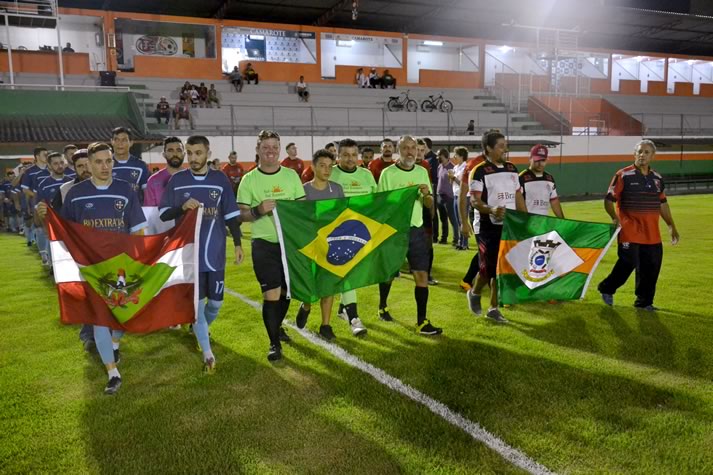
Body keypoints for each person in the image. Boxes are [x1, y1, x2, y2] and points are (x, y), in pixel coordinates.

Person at [62, 142, 148, 395]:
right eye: (98, 162)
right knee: (100, 318)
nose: (104, 166)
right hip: (92, 268)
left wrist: (140, 258)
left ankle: (114, 341)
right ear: (88, 165)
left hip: (121, 266)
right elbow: (67, 232)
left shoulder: (125, 190)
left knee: (124, 314)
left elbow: (137, 229)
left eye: (108, 161)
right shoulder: (76, 194)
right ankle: (113, 373)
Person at [160, 135, 243, 373]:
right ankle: (207, 352)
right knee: (196, 306)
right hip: (190, 255)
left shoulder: (219, 179)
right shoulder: (177, 181)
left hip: (215, 252)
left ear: (207, 152)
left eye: (198, 153)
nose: (193, 158)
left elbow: (230, 215)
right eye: (190, 153)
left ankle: (199, 326)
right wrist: (181, 207)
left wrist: (237, 243)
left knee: (215, 304)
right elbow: (165, 213)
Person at [237, 130, 305, 361]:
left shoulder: (291, 177)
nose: (270, 151)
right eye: (265, 147)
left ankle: (277, 327)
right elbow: (240, 215)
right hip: (264, 244)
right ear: (257, 150)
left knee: (286, 294)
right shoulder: (249, 179)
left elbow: (302, 208)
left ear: (279, 149)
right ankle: (274, 344)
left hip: (289, 245)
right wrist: (258, 210)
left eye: (274, 147)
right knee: (271, 293)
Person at [598, 139, 679, 311]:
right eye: (639, 151)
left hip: (652, 232)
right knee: (629, 261)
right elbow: (608, 200)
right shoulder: (623, 175)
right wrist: (614, 217)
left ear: (652, 156)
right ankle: (607, 288)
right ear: (635, 154)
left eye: (646, 152)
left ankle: (644, 303)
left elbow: (662, 203)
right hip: (629, 229)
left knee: (651, 266)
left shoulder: (657, 178)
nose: (642, 155)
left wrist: (671, 225)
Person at [376, 135, 442, 335]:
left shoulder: (422, 172)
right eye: (405, 148)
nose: (410, 152)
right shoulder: (388, 173)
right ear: (399, 150)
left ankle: (422, 321)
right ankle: (382, 305)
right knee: (388, 274)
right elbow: (381, 204)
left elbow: (429, 205)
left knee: (421, 275)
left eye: (414, 148)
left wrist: (427, 195)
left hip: (416, 230)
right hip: (394, 232)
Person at [309, 138, 373, 336]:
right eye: (345, 154)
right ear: (338, 155)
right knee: (344, 275)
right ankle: (353, 317)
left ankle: (345, 311)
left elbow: (377, 201)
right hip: (332, 236)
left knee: (348, 275)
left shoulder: (367, 175)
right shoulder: (329, 173)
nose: (350, 159)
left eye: (354, 155)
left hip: (359, 234)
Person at [465, 130, 527, 323]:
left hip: (508, 226)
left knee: (501, 267)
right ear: (488, 149)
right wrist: (491, 209)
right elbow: (474, 202)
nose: (505, 149)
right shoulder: (479, 171)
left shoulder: (512, 169)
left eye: (505, 145)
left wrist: (525, 220)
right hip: (485, 226)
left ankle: (493, 308)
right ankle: (474, 292)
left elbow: (518, 196)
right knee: (489, 268)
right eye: (500, 146)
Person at [295, 149, 346, 340]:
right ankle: (306, 306)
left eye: (329, 166)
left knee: (329, 286)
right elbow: (298, 218)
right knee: (309, 286)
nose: (326, 170)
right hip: (310, 245)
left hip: (331, 245)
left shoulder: (337, 189)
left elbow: (343, 215)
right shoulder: (303, 190)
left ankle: (326, 325)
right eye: (322, 166)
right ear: (313, 167)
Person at [34, 152, 72, 266]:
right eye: (55, 164)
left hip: (71, 224)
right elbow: (39, 207)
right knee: (56, 258)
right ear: (49, 166)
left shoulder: (72, 181)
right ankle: (53, 267)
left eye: (61, 162)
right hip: (53, 224)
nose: (60, 166)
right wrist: (44, 225)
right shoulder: (43, 184)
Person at [519, 145, 564, 218]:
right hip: (527, 224)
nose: (540, 164)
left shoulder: (549, 179)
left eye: (543, 160)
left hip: (542, 223)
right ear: (530, 158)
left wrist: (563, 220)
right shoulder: (521, 178)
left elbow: (554, 201)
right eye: (537, 160)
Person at [415, 139, 437, 285]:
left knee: (428, 244)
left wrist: (432, 210)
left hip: (424, 210)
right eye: (417, 150)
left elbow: (430, 190)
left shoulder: (425, 165)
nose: (419, 154)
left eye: (422, 151)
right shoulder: (398, 168)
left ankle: (427, 275)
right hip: (408, 213)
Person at [111, 127, 149, 204]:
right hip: (110, 211)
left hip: (134, 211)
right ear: (112, 142)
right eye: (116, 140)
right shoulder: (105, 165)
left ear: (131, 142)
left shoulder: (140, 165)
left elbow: (147, 193)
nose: (120, 143)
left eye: (124, 140)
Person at [144, 137, 185, 207]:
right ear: (164, 154)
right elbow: (149, 211)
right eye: (170, 150)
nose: (175, 154)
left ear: (184, 154)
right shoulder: (153, 180)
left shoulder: (192, 178)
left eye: (179, 150)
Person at [436, 148, 456, 245]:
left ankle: (456, 238)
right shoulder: (439, 167)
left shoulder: (452, 168)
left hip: (449, 197)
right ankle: (444, 238)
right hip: (440, 195)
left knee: (453, 219)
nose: (438, 157)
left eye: (439, 155)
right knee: (443, 219)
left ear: (446, 157)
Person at [451, 147, 468, 250]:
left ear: (461, 156)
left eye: (456, 154)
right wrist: (451, 178)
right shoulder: (456, 167)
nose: (454, 157)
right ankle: (460, 242)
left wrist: (453, 178)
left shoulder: (465, 167)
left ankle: (464, 243)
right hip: (455, 194)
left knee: (463, 220)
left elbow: (463, 184)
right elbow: (453, 183)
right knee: (458, 220)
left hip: (464, 196)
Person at [424, 138, 440, 242]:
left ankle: (434, 235)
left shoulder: (434, 159)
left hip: (432, 186)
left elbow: (435, 176)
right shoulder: (426, 159)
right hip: (427, 187)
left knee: (433, 212)